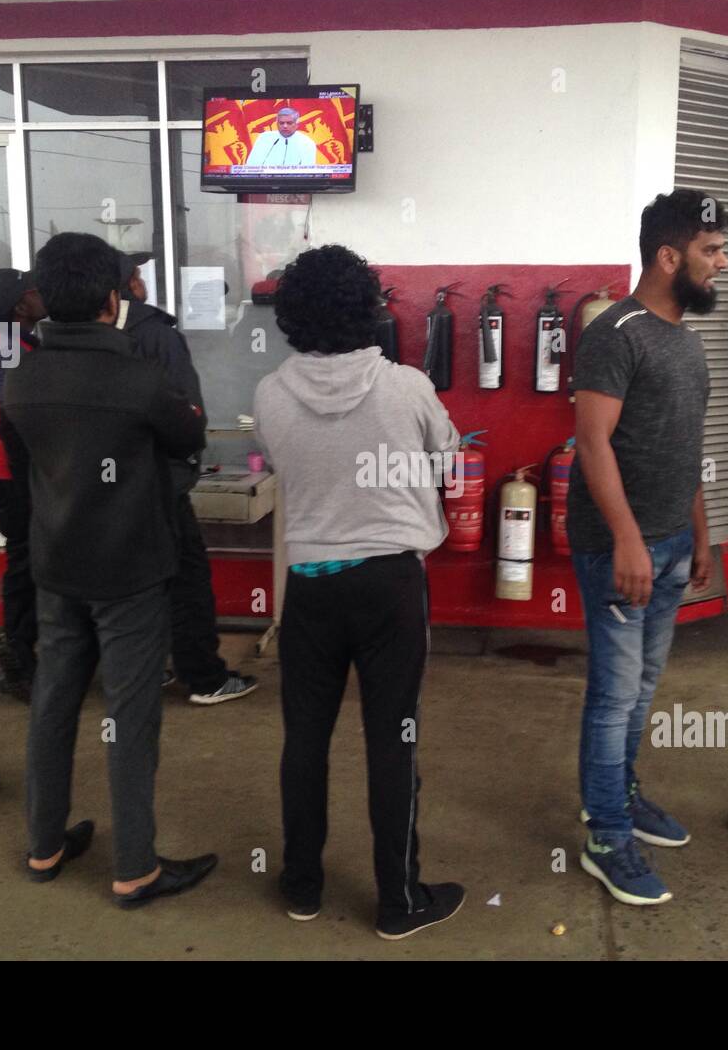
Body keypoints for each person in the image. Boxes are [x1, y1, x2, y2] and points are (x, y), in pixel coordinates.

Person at [254, 243, 465, 939]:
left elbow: (290, 465)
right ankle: (399, 900)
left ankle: (302, 886)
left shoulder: (269, 392)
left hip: (309, 585)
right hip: (390, 586)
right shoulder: (408, 387)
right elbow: (451, 462)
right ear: (370, 309)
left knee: (303, 741)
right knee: (393, 738)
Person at [1, 232, 216, 907]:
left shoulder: (22, 377)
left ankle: (44, 846)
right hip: (130, 572)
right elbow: (189, 435)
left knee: (54, 703)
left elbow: (26, 455)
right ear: (109, 300)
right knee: (130, 717)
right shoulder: (140, 380)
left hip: (56, 565)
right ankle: (134, 868)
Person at [568, 189, 722, 905]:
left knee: (641, 692)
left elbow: (685, 452)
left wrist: (702, 536)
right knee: (613, 696)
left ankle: (621, 798)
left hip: (667, 546)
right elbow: (590, 443)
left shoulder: (687, 343)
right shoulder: (616, 332)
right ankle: (605, 836)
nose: (720, 264)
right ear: (669, 257)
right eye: (710, 252)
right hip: (617, 550)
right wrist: (628, 539)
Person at [115, 251, 257, 705]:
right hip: (159, 483)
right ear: (125, 286)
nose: (142, 283)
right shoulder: (156, 334)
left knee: (133, 583)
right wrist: (185, 463)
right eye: (136, 276)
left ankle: (145, 669)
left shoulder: (72, 338)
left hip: (106, 489)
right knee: (187, 580)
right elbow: (186, 414)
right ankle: (204, 678)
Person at [0, 268, 45, 703]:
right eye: (36, 292)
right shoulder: (9, 347)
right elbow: (15, 422)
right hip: (11, 474)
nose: (44, 297)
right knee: (24, 566)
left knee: (30, 564)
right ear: (21, 305)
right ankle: (18, 661)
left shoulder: (20, 342)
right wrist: (33, 483)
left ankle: (26, 652)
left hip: (15, 473)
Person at [244, 107, 318, 167]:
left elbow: (308, 171)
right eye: (281, 123)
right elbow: (251, 165)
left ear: (296, 124)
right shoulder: (264, 138)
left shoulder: (306, 142)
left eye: (289, 123)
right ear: (277, 124)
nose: (285, 126)